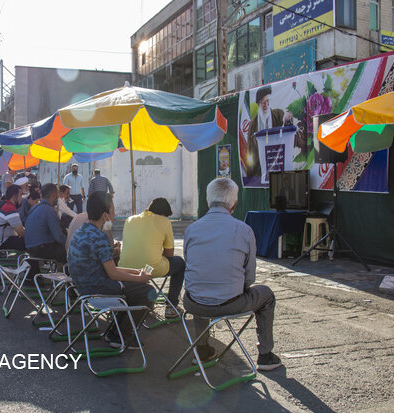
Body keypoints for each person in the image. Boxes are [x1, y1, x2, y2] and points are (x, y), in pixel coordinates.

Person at [183, 178, 282, 370]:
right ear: (235, 203)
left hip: (194, 304)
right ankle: (265, 355)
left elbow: (192, 265)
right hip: (231, 303)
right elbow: (250, 276)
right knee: (266, 295)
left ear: (207, 200)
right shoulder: (244, 230)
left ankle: (201, 350)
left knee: (199, 286)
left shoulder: (191, 229)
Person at [67, 192, 156, 347]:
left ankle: (115, 333)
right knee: (148, 293)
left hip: (82, 287)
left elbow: (109, 268)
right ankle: (122, 335)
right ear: (105, 215)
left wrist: (135, 272)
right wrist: (140, 278)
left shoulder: (81, 231)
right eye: (113, 211)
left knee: (134, 290)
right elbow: (113, 273)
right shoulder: (99, 237)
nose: (115, 215)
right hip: (97, 289)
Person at [118, 198, 185, 319]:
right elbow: (169, 254)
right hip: (150, 268)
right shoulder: (165, 221)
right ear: (164, 214)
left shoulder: (130, 219)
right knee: (180, 263)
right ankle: (171, 306)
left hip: (125, 268)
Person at [246, 86, 293, 177]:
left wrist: (288, 116)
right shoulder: (253, 123)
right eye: (263, 102)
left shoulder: (277, 114)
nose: (266, 105)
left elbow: (287, 118)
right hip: (260, 167)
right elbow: (251, 149)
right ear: (258, 104)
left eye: (267, 101)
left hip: (278, 163)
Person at [24, 183, 67, 263]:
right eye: (58, 194)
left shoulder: (34, 208)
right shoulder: (49, 210)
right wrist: (70, 243)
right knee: (71, 252)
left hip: (30, 248)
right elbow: (59, 237)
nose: (58, 197)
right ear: (54, 195)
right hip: (41, 248)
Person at [0, 184, 25, 251]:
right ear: (14, 196)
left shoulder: (4, 204)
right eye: (20, 195)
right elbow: (21, 232)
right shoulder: (9, 208)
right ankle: (30, 261)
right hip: (1, 243)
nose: (22, 198)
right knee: (33, 242)